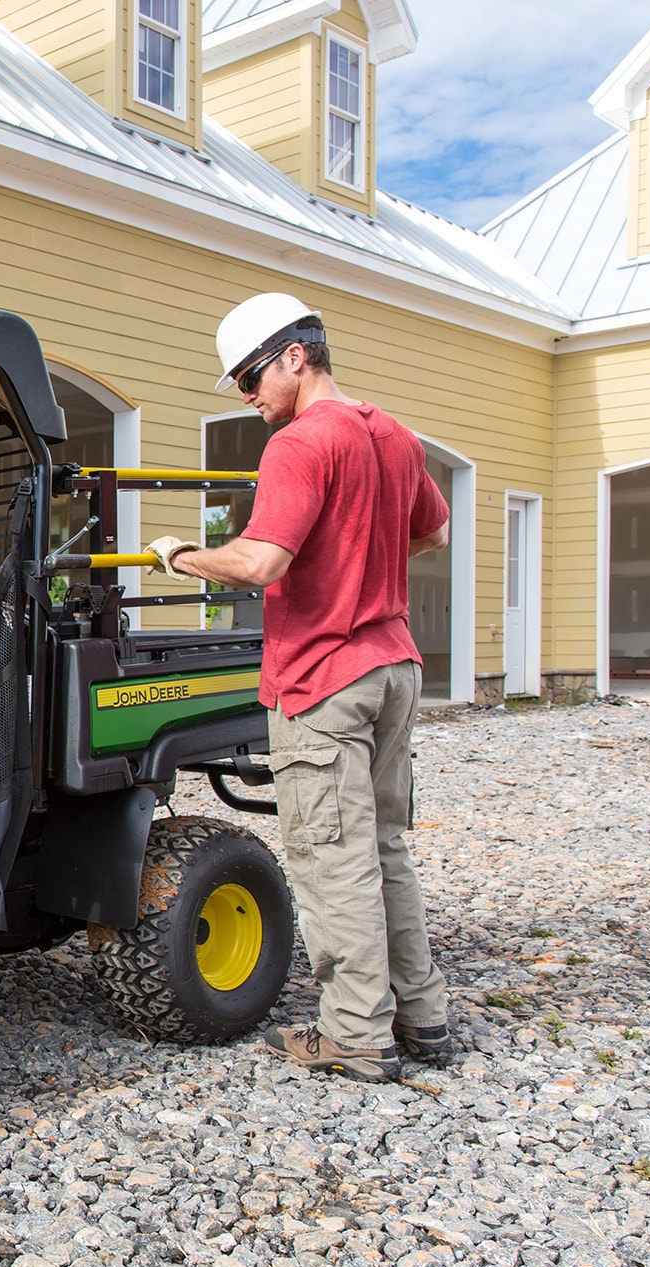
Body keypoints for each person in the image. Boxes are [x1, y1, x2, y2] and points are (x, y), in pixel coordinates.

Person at [142, 293, 452, 1083]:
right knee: (384, 848)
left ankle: (355, 1033)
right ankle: (424, 1017)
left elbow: (261, 561)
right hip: (394, 665)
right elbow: (434, 530)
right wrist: (361, 560)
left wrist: (179, 553)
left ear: (294, 356)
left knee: (330, 857)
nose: (248, 394)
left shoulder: (299, 443)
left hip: (324, 675)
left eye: (250, 375)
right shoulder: (394, 434)